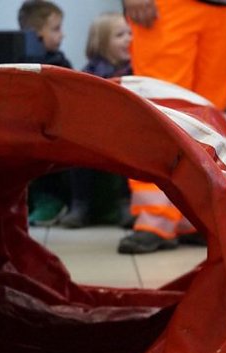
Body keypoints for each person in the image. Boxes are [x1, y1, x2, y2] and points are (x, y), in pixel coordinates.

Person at [117, 0, 226, 254]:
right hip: (168, 7)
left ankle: (195, 217)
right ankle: (156, 217)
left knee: (208, 118)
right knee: (160, 109)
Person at [60, 12, 133, 229]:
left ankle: (125, 204)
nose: (128, 39)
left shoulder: (136, 70)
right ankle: (80, 205)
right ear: (101, 43)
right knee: (76, 150)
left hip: (126, 132)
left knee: (130, 149)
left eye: (130, 33)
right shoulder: (90, 72)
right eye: (120, 35)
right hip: (96, 132)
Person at [18, 0, 73, 226]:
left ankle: (52, 201)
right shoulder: (17, 60)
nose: (63, 35)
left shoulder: (59, 62)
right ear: (37, 34)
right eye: (56, 29)